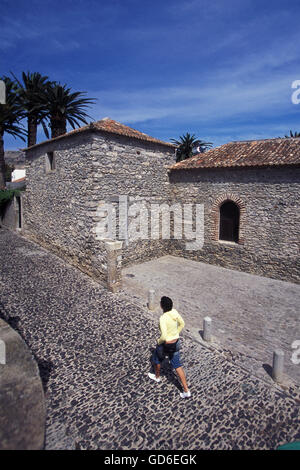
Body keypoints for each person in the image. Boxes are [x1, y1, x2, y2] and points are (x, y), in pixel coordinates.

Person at [148, 296, 191, 398]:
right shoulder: (175, 312)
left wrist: (159, 341)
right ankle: (186, 390)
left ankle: (157, 376)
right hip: (175, 342)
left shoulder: (163, 318)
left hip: (165, 344)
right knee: (177, 365)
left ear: (162, 306)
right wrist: (176, 333)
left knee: (157, 359)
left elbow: (163, 335)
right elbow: (182, 323)